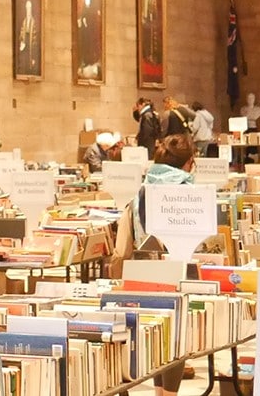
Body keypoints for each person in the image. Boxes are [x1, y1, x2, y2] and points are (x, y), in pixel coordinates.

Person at [108, 134, 196, 396]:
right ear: (189, 163)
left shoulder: (140, 194)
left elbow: (122, 248)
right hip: (179, 272)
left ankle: (159, 393)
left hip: (142, 274)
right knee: (176, 336)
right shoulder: (192, 193)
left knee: (156, 336)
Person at [77, 0, 101, 80]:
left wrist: (97, 11)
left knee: (92, 39)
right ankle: (86, 61)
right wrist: (82, 17)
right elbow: (84, 2)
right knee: (86, 39)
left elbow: (95, 1)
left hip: (92, 16)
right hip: (86, 15)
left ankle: (91, 60)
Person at [16, 0, 40, 76]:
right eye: (27, 8)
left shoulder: (33, 22)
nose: (28, 10)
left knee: (30, 63)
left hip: (31, 47)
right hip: (25, 46)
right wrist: (22, 42)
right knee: (24, 61)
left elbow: (35, 40)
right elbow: (22, 33)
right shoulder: (24, 21)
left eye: (29, 8)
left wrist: (34, 57)